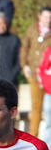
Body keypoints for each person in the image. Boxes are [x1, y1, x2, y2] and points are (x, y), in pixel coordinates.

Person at [21, 7, 51, 138]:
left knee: (48, 109)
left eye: (50, 17)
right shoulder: (32, 30)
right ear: (40, 17)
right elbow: (25, 48)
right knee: (36, 107)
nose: (48, 20)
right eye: (46, 17)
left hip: (48, 76)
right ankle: (33, 137)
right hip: (34, 74)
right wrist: (24, 65)